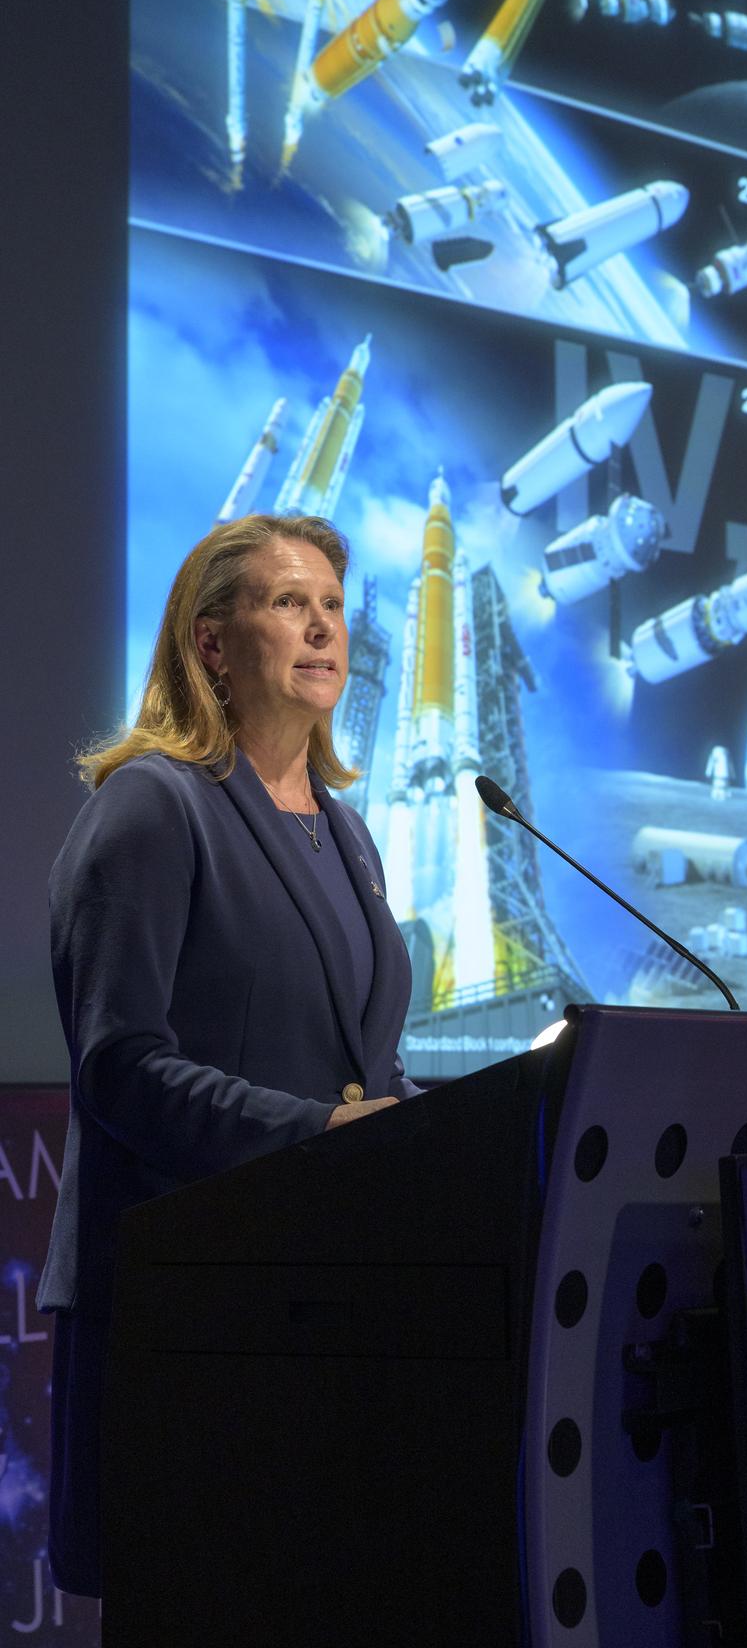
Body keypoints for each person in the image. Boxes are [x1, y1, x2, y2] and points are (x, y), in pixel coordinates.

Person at [36, 514, 416, 1600]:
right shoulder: (154, 806)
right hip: (186, 1313)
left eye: (334, 607)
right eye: (289, 603)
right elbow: (120, 1066)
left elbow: (365, 1069)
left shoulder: (345, 833)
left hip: (328, 1304)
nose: (323, 628)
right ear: (212, 644)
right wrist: (322, 1133)